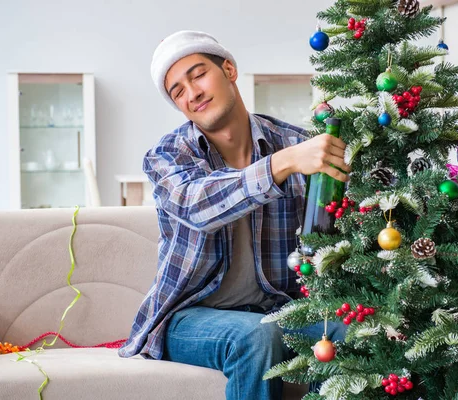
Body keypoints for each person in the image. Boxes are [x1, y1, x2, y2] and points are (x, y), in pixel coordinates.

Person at [118, 30, 350, 400]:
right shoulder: (167, 156)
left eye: (198, 75)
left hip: (279, 309)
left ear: (229, 70)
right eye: (178, 91)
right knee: (258, 334)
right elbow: (198, 205)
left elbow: (335, 223)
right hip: (189, 316)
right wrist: (282, 165)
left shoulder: (292, 141)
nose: (192, 92)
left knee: (346, 331)